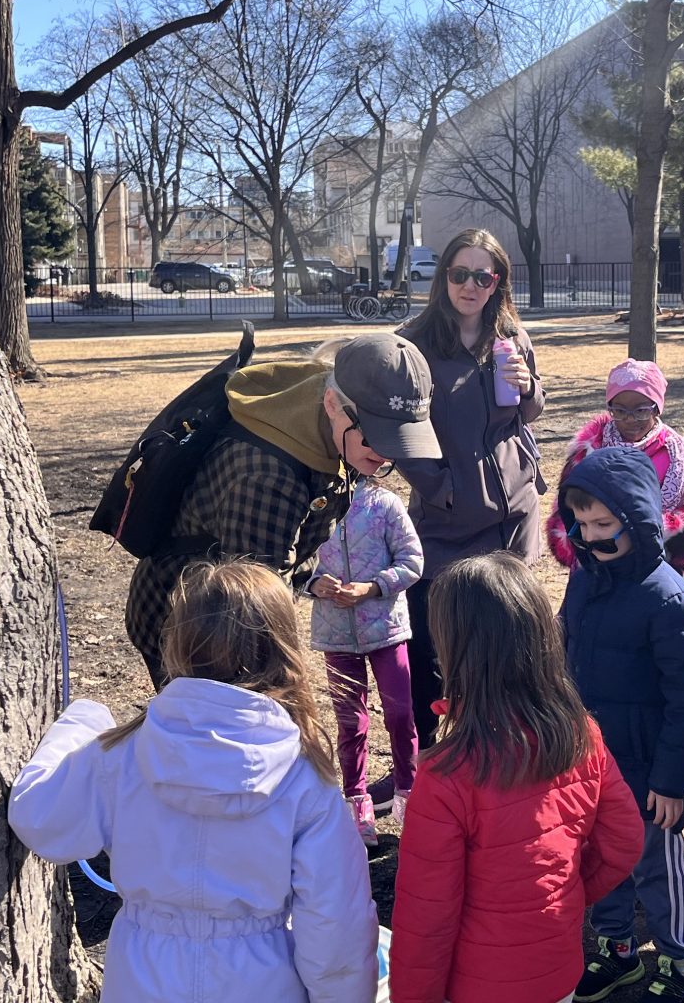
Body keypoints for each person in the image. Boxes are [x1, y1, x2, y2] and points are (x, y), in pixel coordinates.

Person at [12, 562, 379, 1003]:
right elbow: (336, 923)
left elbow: (41, 819)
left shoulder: (121, 755)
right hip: (261, 983)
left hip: (141, 978)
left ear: (178, 644)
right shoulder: (303, 778)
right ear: (282, 649)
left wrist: (83, 720)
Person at [390, 554, 647, 1003]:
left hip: (475, 985)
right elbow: (624, 839)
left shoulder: (446, 772)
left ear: (454, 648)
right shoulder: (581, 733)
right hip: (557, 971)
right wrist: (565, 893)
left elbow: (426, 915)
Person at [124, 333, 440, 686]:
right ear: (333, 404)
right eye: (375, 436)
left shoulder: (330, 421)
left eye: (400, 439)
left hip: (234, 604)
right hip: (188, 623)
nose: (385, 454)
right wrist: (285, 693)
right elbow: (253, 611)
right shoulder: (268, 476)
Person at [559, 447, 684, 1003]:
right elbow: (566, 655)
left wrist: (671, 782)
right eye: (580, 524)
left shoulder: (666, 597)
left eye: (604, 524)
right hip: (593, 762)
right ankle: (616, 949)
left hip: (649, 771)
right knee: (602, 860)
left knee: (657, 865)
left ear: (640, 519)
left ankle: (679, 959)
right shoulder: (585, 580)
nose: (590, 536)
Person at [398, 229, 545, 746]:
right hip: (447, 521)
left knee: (505, 643)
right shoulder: (413, 344)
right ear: (444, 278)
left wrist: (530, 388)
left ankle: (500, 750)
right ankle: (424, 760)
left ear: (497, 283)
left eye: (484, 276)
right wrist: (441, 489)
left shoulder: (510, 336)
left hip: (512, 517)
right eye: (460, 274)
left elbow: (527, 414)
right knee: (436, 647)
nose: (470, 285)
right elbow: (401, 432)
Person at [307, 474, 424, 844]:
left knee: (401, 714)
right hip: (336, 634)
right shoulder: (312, 502)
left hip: (386, 629)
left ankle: (409, 793)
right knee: (351, 723)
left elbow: (412, 560)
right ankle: (357, 801)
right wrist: (313, 583)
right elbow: (294, 559)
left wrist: (373, 587)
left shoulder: (384, 503)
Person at [547, 358, 684, 591]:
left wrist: (655, 532)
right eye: (620, 410)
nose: (629, 419)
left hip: (662, 575)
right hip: (598, 569)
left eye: (641, 411)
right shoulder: (589, 451)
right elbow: (565, 511)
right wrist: (585, 545)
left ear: (657, 408)